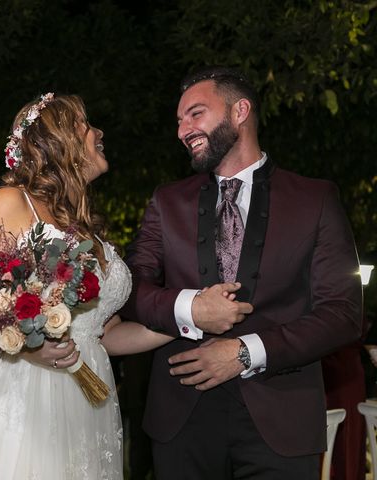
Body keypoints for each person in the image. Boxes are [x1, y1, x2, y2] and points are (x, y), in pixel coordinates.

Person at [122, 66, 363, 479]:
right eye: (179, 121)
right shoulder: (167, 202)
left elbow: (342, 314)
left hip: (281, 420)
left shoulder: (315, 199)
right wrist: (190, 309)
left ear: (240, 111)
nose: (183, 130)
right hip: (181, 421)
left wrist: (245, 352)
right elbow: (129, 291)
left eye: (195, 114)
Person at [0, 93, 172, 479]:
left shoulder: (85, 225)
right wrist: (29, 347)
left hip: (88, 397)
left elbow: (103, 333)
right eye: (85, 125)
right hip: (23, 393)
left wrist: (188, 322)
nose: (98, 131)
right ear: (58, 142)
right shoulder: (11, 203)